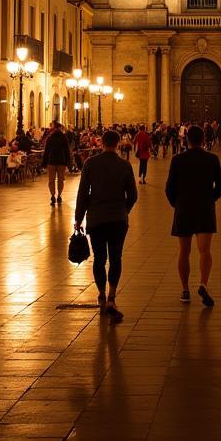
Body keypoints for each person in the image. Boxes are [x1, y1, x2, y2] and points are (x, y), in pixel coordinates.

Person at [74, 129, 136, 325]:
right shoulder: (125, 165)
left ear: (101, 143)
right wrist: (124, 210)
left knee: (99, 258)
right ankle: (111, 296)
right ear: (118, 144)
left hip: (97, 219)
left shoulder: (90, 164)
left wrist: (78, 218)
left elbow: (83, 193)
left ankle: (100, 293)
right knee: (116, 257)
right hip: (118, 220)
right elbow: (133, 195)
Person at [165, 124, 221, 306]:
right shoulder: (212, 159)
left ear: (186, 139)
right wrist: (210, 199)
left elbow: (169, 188)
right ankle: (203, 284)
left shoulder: (177, 160)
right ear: (204, 140)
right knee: (204, 251)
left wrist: (177, 204)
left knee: (184, 251)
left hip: (183, 209)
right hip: (205, 209)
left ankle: (185, 290)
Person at [42, 120, 72, 205]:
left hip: (51, 161)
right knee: (60, 180)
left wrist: (44, 163)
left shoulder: (50, 138)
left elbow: (46, 151)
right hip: (61, 161)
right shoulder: (64, 137)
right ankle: (59, 195)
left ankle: (52, 195)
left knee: (51, 180)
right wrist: (68, 162)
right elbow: (67, 151)